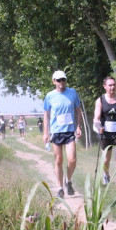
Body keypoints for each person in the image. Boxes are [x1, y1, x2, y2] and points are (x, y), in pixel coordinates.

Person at [43, 70, 83, 198]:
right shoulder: (49, 96)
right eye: (58, 80)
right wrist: (45, 132)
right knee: (59, 160)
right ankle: (60, 188)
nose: (61, 82)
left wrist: (78, 126)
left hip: (70, 131)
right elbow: (46, 115)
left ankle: (68, 181)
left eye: (63, 80)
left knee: (72, 159)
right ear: (54, 81)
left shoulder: (72, 93)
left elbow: (78, 111)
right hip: (56, 131)